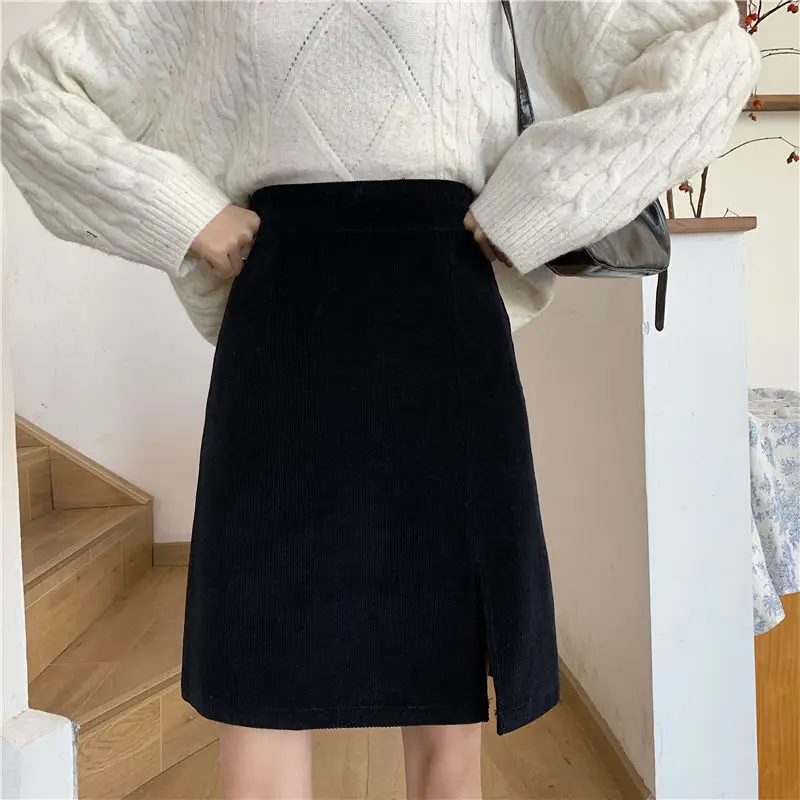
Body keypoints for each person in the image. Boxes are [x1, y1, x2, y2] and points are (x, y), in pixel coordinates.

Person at [1, 2, 759, 798]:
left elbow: (710, 59)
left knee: (443, 696)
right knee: (261, 682)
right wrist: (182, 212)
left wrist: (541, 200)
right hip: (282, 334)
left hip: (444, 320)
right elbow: (29, 96)